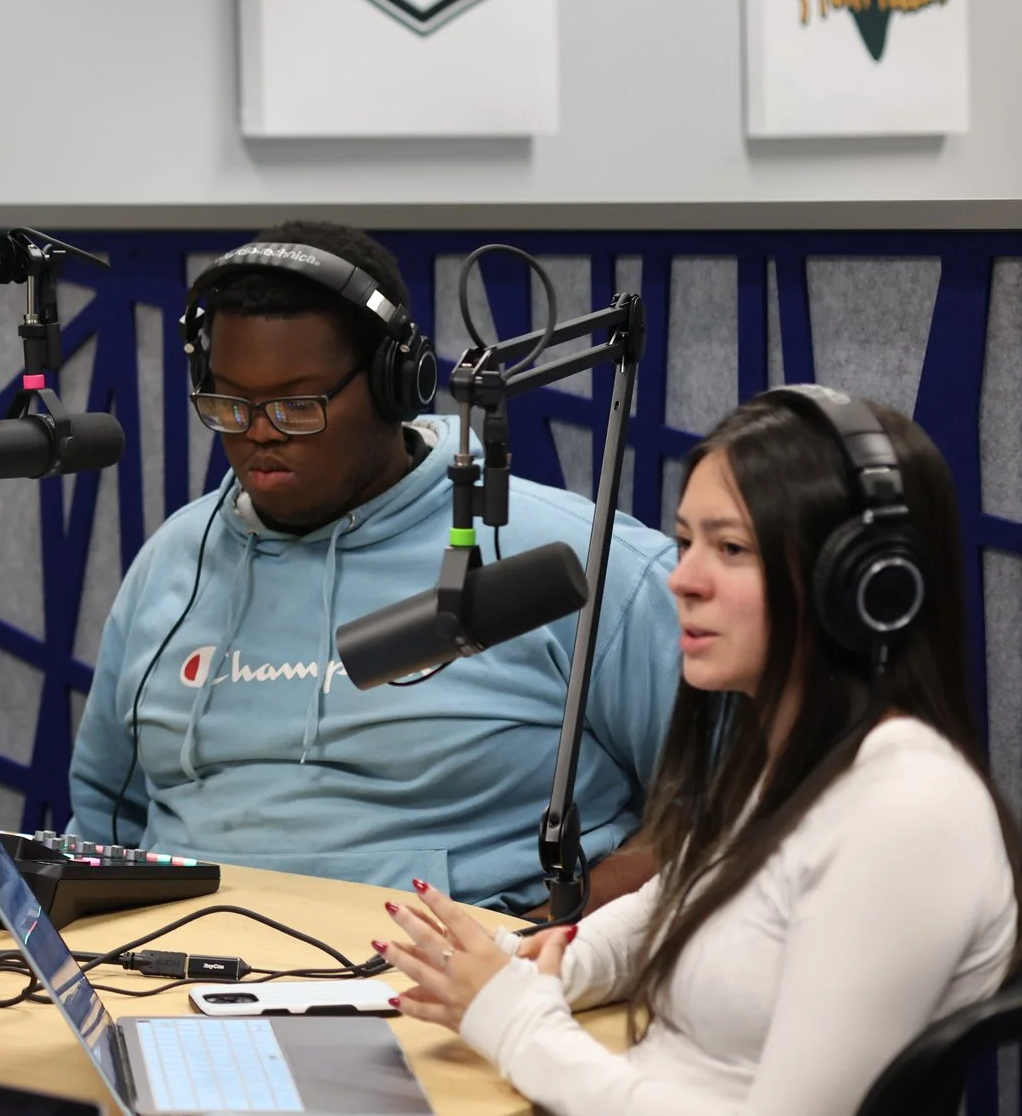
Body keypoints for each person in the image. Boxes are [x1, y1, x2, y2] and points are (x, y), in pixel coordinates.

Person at [379, 389, 1019, 1115]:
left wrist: (518, 1022)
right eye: (687, 542)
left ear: (862, 583)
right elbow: (669, 911)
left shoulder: (907, 812)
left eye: (732, 548)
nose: (682, 579)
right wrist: (532, 964)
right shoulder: (794, 760)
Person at [67, 222, 681, 911]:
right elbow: (103, 825)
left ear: (397, 385)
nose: (259, 432)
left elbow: (734, 802)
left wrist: (545, 941)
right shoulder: (172, 563)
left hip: (459, 966)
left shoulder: (577, 561)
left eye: (297, 405)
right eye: (230, 404)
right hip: (177, 958)